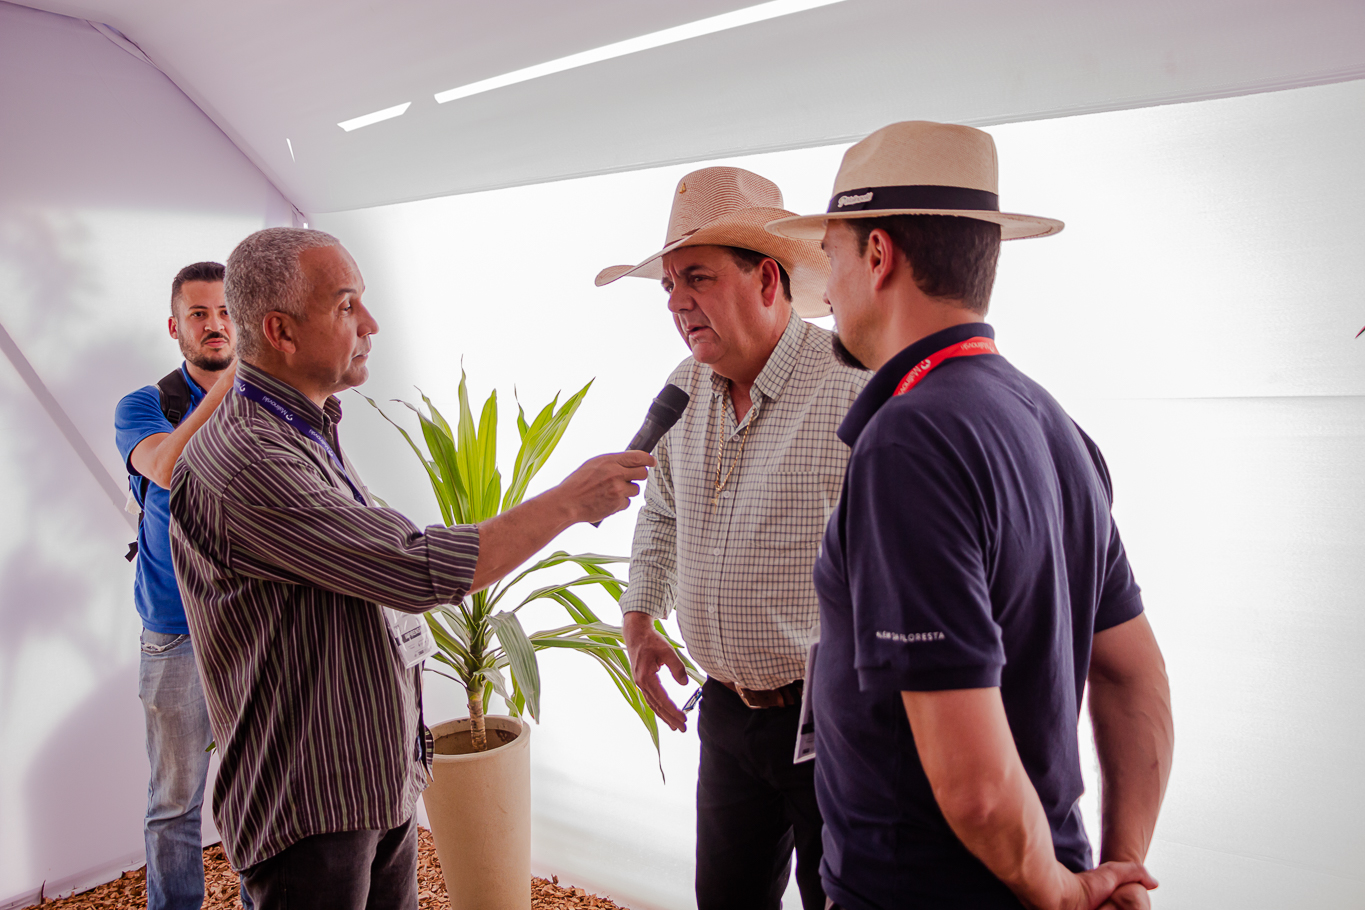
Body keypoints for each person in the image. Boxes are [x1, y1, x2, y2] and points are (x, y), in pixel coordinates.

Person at [166, 227, 651, 909]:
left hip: (370, 785)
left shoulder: (303, 430)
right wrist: (568, 501)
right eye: (346, 305)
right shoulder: (249, 459)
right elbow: (413, 568)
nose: (370, 324)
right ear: (280, 331)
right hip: (313, 809)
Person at [767, 120, 1174, 910]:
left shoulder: (909, 441)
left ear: (878, 255)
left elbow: (977, 790)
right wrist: (1117, 867)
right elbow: (1134, 674)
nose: (827, 293)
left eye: (831, 258)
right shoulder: (1054, 424)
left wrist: (1062, 894)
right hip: (1038, 871)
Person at [596, 167, 868, 910]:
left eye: (698, 278)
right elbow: (661, 510)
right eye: (669, 286)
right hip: (723, 714)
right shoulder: (685, 384)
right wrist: (639, 619)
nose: (676, 301)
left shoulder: (854, 386)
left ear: (768, 279)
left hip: (831, 723)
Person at [114, 261, 251, 910]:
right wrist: (232, 388)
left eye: (226, 312)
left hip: (253, 629)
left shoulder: (266, 402)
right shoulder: (145, 406)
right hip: (174, 632)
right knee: (174, 802)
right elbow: (167, 468)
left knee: (258, 791)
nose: (215, 325)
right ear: (176, 328)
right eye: (199, 314)